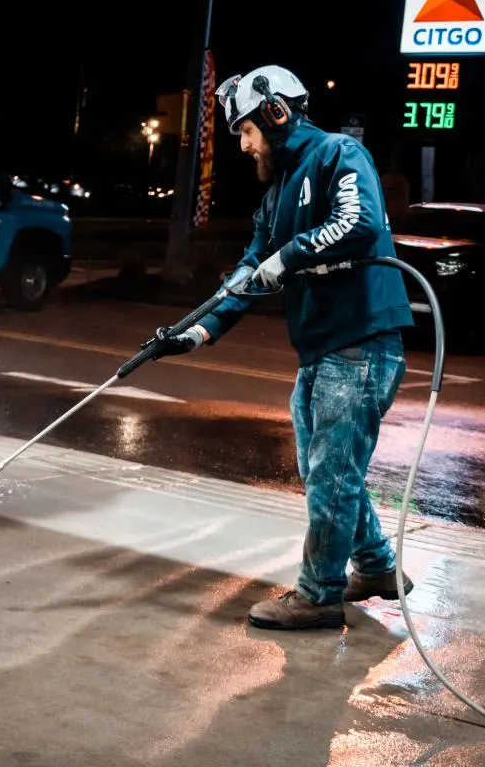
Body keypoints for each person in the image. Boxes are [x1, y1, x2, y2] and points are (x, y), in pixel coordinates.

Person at [149, 65, 416, 630]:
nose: (244, 146)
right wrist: (198, 331)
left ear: (276, 113)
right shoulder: (275, 197)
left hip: (362, 342)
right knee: (324, 467)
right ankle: (377, 566)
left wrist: (289, 257)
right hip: (323, 350)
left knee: (331, 473)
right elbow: (249, 270)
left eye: (245, 131)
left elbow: (358, 221)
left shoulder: (340, 155)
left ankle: (319, 596)